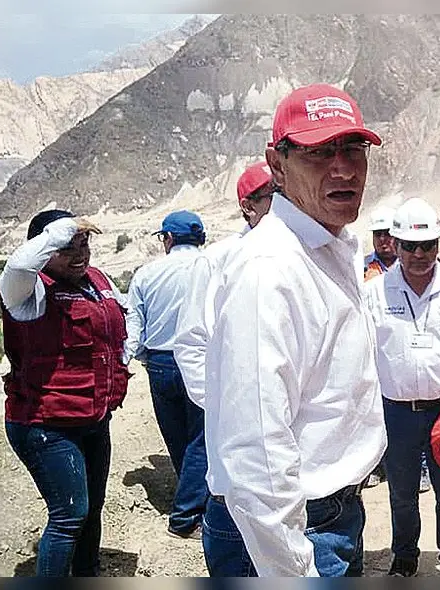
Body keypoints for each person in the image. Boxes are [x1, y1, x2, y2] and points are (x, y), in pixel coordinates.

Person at [206, 83, 386, 577]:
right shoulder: (270, 270)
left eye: (352, 149)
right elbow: (256, 449)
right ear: (278, 164)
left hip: (330, 513)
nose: (343, 167)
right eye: (318, 152)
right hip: (292, 529)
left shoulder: (333, 247)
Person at [0, 210, 129, 576]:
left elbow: (121, 315)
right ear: (43, 248)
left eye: (84, 243)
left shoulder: (97, 280)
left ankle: (87, 572)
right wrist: (58, 234)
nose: (79, 254)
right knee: (69, 514)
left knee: (93, 505)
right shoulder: (28, 288)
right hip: (46, 423)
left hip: (93, 418)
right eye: (65, 247)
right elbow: (18, 266)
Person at [365, 197, 440, 578]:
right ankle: (405, 558)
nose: (419, 254)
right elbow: (366, 349)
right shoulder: (375, 292)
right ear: (395, 245)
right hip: (397, 413)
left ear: (439, 245)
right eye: (409, 246)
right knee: (402, 493)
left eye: (428, 246)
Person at [172, 161, 273, 576]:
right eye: (275, 199)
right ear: (248, 207)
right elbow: (191, 342)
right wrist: (222, 405)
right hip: (239, 445)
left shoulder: (315, 252)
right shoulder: (218, 260)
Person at [124, 210, 209, 540]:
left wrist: (138, 358)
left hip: (160, 363)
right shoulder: (213, 267)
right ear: (200, 238)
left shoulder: (146, 274)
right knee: (202, 438)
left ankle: (190, 502)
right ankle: (187, 515)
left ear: (168, 239)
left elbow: (135, 326)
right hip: (201, 360)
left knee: (178, 438)